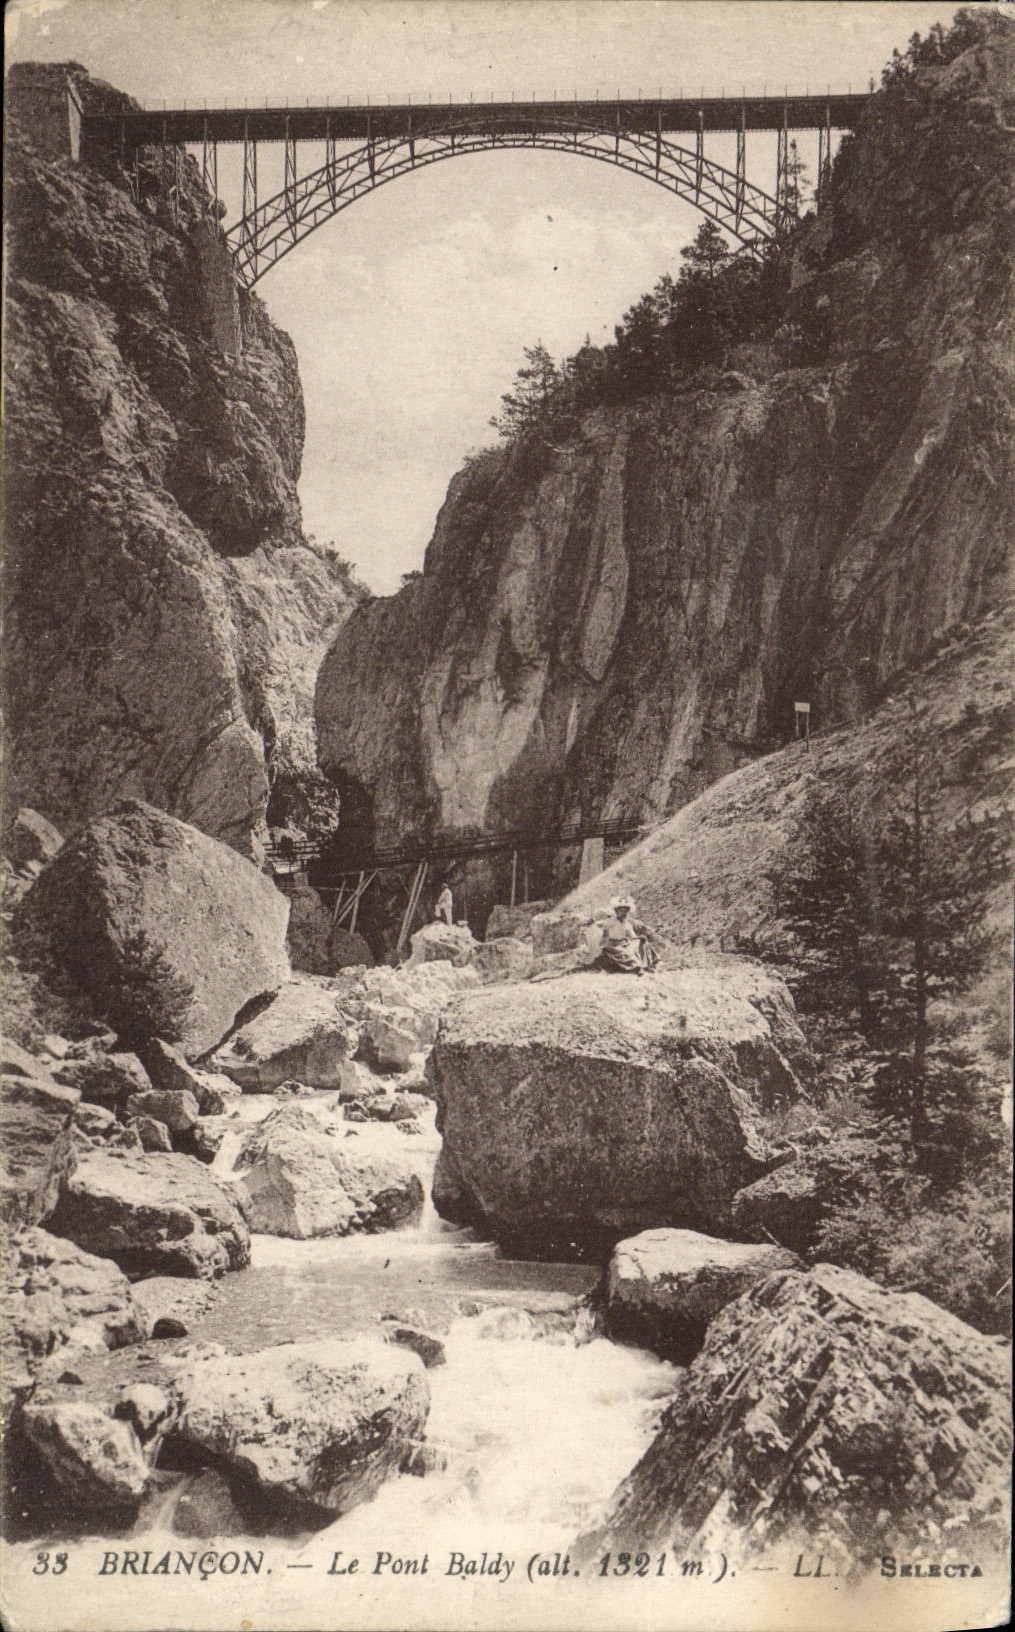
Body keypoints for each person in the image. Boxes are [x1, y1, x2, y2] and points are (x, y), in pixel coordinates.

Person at [595, 895, 663, 975]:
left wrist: (640, 938)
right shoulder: (609, 922)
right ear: (616, 911)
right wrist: (600, 945)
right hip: (613, 945)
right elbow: (604, 935)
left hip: (625, 943)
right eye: (621, 911)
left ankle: (651, 963)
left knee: (642, 942)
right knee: (626, 954)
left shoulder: (627, 923)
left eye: (625, 911)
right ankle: (637, 967)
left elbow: (632, 936)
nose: (623, 913)